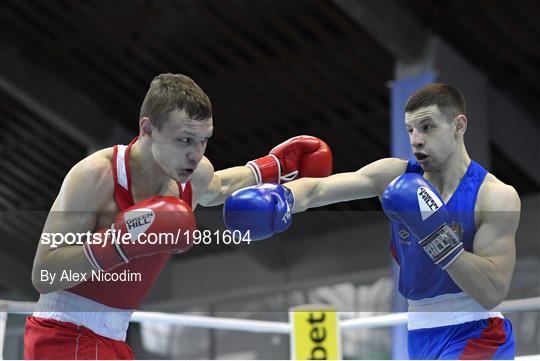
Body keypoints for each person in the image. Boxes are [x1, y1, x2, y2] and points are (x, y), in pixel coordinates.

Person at [25, 73, 333, 359]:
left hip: (114, 338)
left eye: (204, 139)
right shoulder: (95, 175)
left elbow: (219, 186)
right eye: (185, 140)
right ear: (147, 129)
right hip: (63, 334)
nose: (196, 153)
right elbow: (43, 275)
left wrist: (274, 167)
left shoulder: (191, 175)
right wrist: (117, 244)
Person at [224, 83, 520, 359]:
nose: (416, 140)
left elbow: (492, 292)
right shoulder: (394, 176)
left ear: (459, 125)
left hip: (478, 333)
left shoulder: (494, 196)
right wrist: (282, 197)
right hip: (420, 333)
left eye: (427, 127)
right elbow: (317, 189)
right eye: (410, 130)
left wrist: (436, 236)